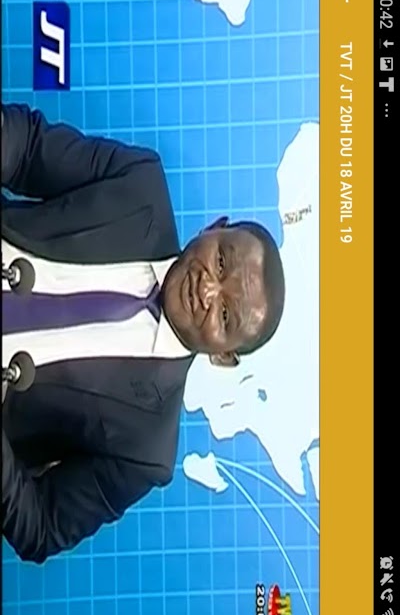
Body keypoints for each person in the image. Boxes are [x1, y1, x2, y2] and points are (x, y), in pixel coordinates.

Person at [2, 103, 285, 564]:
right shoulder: (139, 183)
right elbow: (28, 148)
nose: (207, 290)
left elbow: (43, 525)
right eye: (221, 261)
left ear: (224, 356)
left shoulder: (145, 449)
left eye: (226, 316)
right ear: (213, 228)